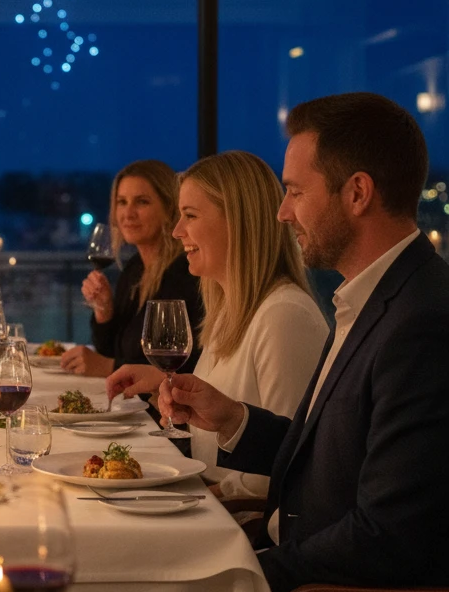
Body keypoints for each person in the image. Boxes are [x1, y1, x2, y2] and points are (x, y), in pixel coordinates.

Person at [158, 92, 449, 592]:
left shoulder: (422, 323)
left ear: (357, 193)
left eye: (293, 190)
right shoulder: (372, 300)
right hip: (308, 582)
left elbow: (391, 535)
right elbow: (329, 455)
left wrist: (253, 566)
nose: (283, 211)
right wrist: (234, 419)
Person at [107, 152, 329, 499]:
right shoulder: (228, 313)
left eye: (190, 216)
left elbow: (292, 464)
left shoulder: (284, 316)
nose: (177, 231)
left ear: (239, 222)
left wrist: (199, 496)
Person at [60, 159, 202, 377]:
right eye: (122, 202)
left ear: (169, 207)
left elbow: (183, 367)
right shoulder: (135, 268)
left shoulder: (185, 272)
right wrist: (104, 311)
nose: (128, 213)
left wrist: (109, 368)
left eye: (142, 202)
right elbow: (109, 351)